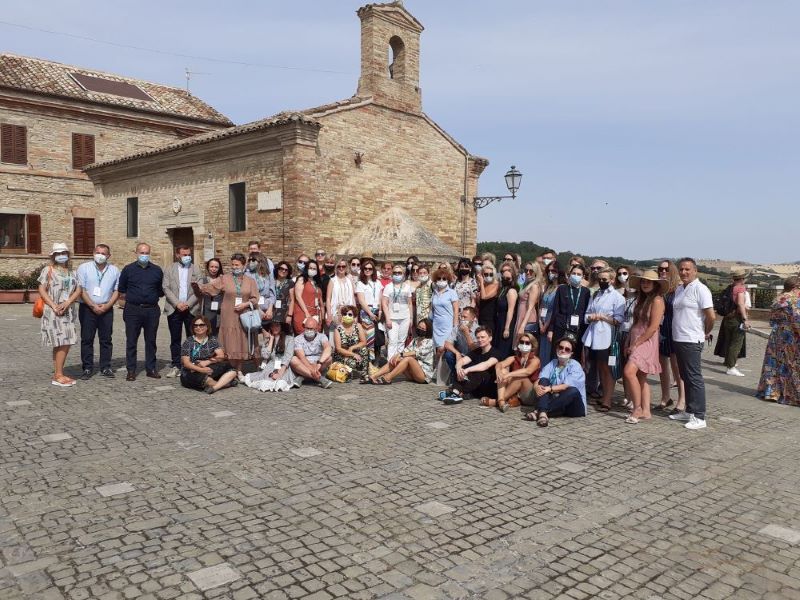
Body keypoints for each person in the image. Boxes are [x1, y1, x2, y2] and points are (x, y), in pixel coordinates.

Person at [192, 253, 258, 373]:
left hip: (243, 315)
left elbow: (255, 298)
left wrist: (245, 304)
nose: (234, 267)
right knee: (230, 343)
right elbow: (211, 288)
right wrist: (199, 287)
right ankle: (231, 369)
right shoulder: (224, 278)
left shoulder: (251, 281)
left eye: (237, 265)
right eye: (232, 264)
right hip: (228, 315)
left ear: (243, 266)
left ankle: (239, 370)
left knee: (241, 342)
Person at [669, 258, 715, 430]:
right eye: (681, 269)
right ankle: (689, 410)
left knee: (694, 377)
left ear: (695, 271)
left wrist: (705, 332)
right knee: (684, 376)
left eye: (687, 269)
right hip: (679, 338)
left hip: (691, 339)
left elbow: (710, 316)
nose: (684, 272)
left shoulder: (701, 289)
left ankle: (699, 415)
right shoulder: (680, 289)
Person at [622, 271, 666, 423]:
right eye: (643, 281)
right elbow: (635, 323)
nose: (645, 284)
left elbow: (653, 327)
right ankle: (646, 411)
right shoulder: (642, 299)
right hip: (636, 337)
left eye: (649, 281)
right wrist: (628, 341)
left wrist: (636, 343)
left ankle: (637, 408)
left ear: (655, 284)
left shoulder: (658, 300)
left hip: (647, 341)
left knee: (628, 372)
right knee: (641, 376)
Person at [38, 243, 82, 387]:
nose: (61, 255)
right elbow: (42, 289)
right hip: (53, 312)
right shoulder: (48, 270)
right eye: (58, 253)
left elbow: (78, 289)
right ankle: (58, 375)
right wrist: (53, 305)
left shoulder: (72, 272)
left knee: (63, 342)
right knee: (63, 342)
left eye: (63, 252)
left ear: (68, 255)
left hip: (68, 311)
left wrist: (68, 302)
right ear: (53, 256)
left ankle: (58, 373)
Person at [118, 242, 164, 381]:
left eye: (146, 253)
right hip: (133, 309)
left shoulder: (157, 270)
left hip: (151, 310)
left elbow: (161, 290)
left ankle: (151, 368)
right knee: (131, 340)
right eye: (141, 253)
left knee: (151, 341)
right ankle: (131, 370)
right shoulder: (128, 269)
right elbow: (122, 288)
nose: (144, 255)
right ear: (136, 253)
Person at [582, 267, 625, 411]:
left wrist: (602, 317)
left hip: (608, 335)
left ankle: (608, 399)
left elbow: (619, 319)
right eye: (599, 279)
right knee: (600, 367)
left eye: (604, 279)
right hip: (594, 335)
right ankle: (603, 395)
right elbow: (587, 314)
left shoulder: (617, 297)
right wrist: (590, 317)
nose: (601, 282)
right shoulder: (596, 295)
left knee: (607, 368)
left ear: (612, 280)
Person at [76, 243, 120, 379]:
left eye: (103, 253)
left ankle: (106, 367)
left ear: (108, 256)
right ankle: (88, 368)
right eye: (98, 252)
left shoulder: (114, 270)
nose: (100, 255)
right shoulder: (83, 268)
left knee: (106, 339)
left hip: (106, 308)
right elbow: (81, 289)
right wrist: (93, 305)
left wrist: (107, 306)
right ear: (93, 253)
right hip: (87, 308)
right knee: (87, 339)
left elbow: (117, 290)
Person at [525, 335, 587, 426]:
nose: (563, 350)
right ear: (557, 349)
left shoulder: (575, 365)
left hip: (574, 407)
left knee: (572, 390)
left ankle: (538, 411)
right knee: (543, 380)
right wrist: (536, 387)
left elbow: (565, 386)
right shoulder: (553, 363)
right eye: (561, 347)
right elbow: (539, 379)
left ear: (571, 353)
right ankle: (543, 414)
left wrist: (549, 389)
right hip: (559, 404)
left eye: (567, 349)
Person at [756, 276, 800, 406]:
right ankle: (789, 394)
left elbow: (771, 320)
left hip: (776, 335)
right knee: (791, 365)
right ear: (795, 287)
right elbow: (797, 320)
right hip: (790, 336)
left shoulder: (777, 299)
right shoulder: (795, 299)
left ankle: (771, 391)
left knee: (773, 363)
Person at [163, 245, 202, 378]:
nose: (187, 257)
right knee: (175, 339)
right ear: (177, 255)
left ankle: (191, 364)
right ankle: (176, 365)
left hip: (191, 309)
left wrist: (188, 303)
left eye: (188, 255)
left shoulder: (195, 268)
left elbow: (199, 289)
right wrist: (177, 303)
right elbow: (166, 287)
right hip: (174, 309)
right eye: (184, 255)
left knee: (192, 338)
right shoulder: (169, 268)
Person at [441, 327, 502, 405]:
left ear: (490, 338)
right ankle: (455, 392)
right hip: (476, 386)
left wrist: (467, 370)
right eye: (478, 338)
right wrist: (459, 368)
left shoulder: (496, 353)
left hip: (489, 386)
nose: (480, 340)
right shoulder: (476, 351)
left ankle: (457, 393)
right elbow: (462, 360)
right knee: (462, 369)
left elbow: (485, 365)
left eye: (483, 337)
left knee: (480, 372)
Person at [179, 315, 238, 394]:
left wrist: (208, 362)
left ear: (207, 326)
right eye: (195, 325)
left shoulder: (212, 340)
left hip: (208, 367)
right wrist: (201, 369)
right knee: (207, 380)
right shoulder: (188, 342)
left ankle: (215, 387)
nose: (198, 327)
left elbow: (221, 356)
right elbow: (186, 363)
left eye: (201, 325)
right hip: (191, 370)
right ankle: (227, 384)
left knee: (232, 371)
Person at [366, 318, 434, 384]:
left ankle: (388, 378)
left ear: (427, 331)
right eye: (419, 327)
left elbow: (416, 353)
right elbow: (406, 351)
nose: (420, 329)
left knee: (408, 358)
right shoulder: (415, 340)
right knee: (396, 359)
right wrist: (396, 356)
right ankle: (373, 376)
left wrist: (400, 354)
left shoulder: (430, 342)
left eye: (423, 329)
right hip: (411, 374)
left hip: (423, 376)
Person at [242, 318, 302, 392]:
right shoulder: (267, 341)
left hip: (284, 366)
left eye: (277, 326)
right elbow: (265, 356)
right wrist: (271, 340)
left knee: (280, 381)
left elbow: (288, 357)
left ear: (281, 327)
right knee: (266, 381)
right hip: (271, 366)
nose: (274, 328)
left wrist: (280, 372)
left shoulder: (289, 339)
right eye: (272, 326)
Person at [657, 260, 685, 412]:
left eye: (666, 269)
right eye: (660, 269)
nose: (662, 271)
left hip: (675, 328)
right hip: (662, 328)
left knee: (676, 367)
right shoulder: (660, 288)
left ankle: (681, 399)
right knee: (662, 366)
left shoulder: (679, 288)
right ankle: (665, 397)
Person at [714, 269, 751, 376]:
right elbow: (740, 304)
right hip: (736, 319)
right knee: (736, 343)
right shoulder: (740, 289)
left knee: (729, 341)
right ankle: (731, 367)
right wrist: (745, 319)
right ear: (743, 279)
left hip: (727, 318)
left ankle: (728, 362)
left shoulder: (730, 288)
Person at [492, 332, 541, 412]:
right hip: (516, 391)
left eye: (527, 343)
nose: (524, 344)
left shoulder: (535, 360)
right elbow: (499, 364)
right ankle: (502, 402)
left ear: (532, 346)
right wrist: (499, 372)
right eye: (522, 342)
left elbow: (527, 371)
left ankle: (497, 401)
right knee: (503, 370)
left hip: (529, 393)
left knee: (520, 377)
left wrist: (508, 375)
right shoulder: (514, 358)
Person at [550, 264, 590, 361]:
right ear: (569, 274)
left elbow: (586, 312)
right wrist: (551, 330)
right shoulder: (562, 289)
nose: (576, 275)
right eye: (574, 273)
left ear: (583, 277)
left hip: (578, 331)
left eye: (579, 274)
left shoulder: (586, 292)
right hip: (561, 328)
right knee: (558, 355)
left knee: (574, 357)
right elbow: (555, 310)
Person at [355, 258, 384, 364]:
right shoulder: (360, 284)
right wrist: (370, 313)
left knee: (378, 336)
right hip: (367, 312)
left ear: (373, 270)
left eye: (370, 269)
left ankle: (376, 360)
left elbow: (381, 297)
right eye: (365, 269)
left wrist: (380, 310)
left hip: (377, 312)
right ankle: (368, 362)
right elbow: (361, 300)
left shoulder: (378, 282)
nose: (367, 270)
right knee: (369, 337)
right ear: (362, 270)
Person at [382, 264, 414, 360]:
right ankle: (390, 363)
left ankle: (398, 363)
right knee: (392, 341)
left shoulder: (407, 287)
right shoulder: (388, 287)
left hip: (405, 317)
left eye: (399, 273)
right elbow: (384, 303)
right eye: (395, 272)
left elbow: (409, 303)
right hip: (392, 318)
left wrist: (411, 318)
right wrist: (387, 318)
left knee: (401, 341)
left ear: (403, 274)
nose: (397, 274)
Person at [290, 318, 333, 388]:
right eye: (307, 328)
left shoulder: (322, 336)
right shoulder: (297, 339)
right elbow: (302, 357)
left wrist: (319, 363)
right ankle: (319, 378)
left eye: (311, 329)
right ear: (304, 327)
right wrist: (312, 369)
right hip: (304, 363)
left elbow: (328, 348)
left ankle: (303, 376)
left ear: (316, 329)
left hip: (318, 362)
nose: (309, 330)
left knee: (329, 358)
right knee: (293, 359)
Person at [442, 305, 479, 381]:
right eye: (461, 317)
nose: (462, 319)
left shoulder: (478, 329)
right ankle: (455, 375)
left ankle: (468, 378)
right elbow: (447, 343)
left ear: (472, 318)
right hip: (461, 355)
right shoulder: (457, 327)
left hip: (473, 357)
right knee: (448, 354)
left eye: (465, 317)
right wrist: (457, 353)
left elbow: (474, 348)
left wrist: (466, 333)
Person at [332, 305, 370, 376]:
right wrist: (353, 354)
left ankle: (365, 374)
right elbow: (338, 349)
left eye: (350, 314)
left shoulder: (358, 326)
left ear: (354, 316)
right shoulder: (338, 329)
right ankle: (346, 372)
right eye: (345, 314)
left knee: (365, 350)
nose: (347, 316)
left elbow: (363, 342)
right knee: (353, 364)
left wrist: (352, 348)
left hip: (354, 351)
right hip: (342, 355)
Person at [430, 266, 459, 352]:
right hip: (436, 326)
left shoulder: (452, 293)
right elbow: (432, 309)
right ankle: (437, 365)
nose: (441, 280)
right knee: (437, 349)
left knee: (445, 349)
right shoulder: (434, 293)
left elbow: (456, 310)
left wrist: (455, 325)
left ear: (448, 280)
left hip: (448, 326)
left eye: (444, 278)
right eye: (439, 278)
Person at [538, 261, 563, 361]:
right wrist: (540, 323)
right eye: (549, 271)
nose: (550, 273)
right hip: (542, 323)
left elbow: (555, 310)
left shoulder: (561, 288)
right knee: (542, 352)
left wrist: (546, 325)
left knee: (549, 353)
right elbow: (541, 306)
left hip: (551, 324)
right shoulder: (548, 287)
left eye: (553, 270)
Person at [515, 262, 543, 346]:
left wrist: (523, 325)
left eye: (531, 271)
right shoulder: (526, 283)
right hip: (522, 317)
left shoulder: (534, 286)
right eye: (526, 270)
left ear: (536, 272)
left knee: (525, 346)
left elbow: (530, 307)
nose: (528, 272)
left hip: (528, 320)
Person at [494, 262, 519, 358]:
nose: (506, 273)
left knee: (503, 352)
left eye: (508, 270)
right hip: (499, 321)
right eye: (503, 271)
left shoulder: (511, 290)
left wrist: (507, 328)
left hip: (506, 322)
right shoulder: (503, 289)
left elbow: (511, 310)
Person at [292, 262, 324, 335]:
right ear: (306, 269)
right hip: (303, 313)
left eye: (314, 269)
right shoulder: (301, 279)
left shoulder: (316, 282)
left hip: (315, 313)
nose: (312, 270)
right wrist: (306, 313)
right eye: (310, 268)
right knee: (303, 335)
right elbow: (298, 297)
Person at [326, 258, 355, 335]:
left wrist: (355, 314)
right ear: (336, 267)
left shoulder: (350, 281)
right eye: (339, 266)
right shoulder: (332, 280)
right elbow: (328, 298)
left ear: (346, 268)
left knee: (348, 335)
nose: (341, 268)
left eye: (343, 266)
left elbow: (352, 297)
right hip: (336, 312)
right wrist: (329, 315)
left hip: (349, 312)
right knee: (336, 335)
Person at [245, 252, 276, 325]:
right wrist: (258, 310)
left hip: (268, 310)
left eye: (253, 260)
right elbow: (248, 295)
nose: (250, 262)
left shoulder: (268, 275)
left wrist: (270, 309)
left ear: (260, 261)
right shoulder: (247, 275)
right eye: (249, 260)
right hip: (254, 309)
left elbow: (272, 293)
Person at [199, 258, 224, 336]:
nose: (214, 269)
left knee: (218, 334)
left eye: (216, 267)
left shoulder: (223, 280)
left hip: (219, 312)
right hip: (206, 311)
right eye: (212, 267)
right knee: (207, 333)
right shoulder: (202, 280)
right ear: (208, 267)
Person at [477, 262, 499, 330]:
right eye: (486, 274)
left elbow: (484, 297)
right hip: (481, 316)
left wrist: (481, 283)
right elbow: (479, 303)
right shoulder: (482, 285)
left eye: (491, 274)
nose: (488, 276)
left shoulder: (496, 285)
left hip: (490, 319)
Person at [272, 261, 294, 326]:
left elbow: (292, 300)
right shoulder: (272, 281)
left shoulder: (290, 283)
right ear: (277, 269)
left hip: (284, 314)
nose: (283, 271)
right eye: (281, 268)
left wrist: (290, 315)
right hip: (271, 312)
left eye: (286, 270)